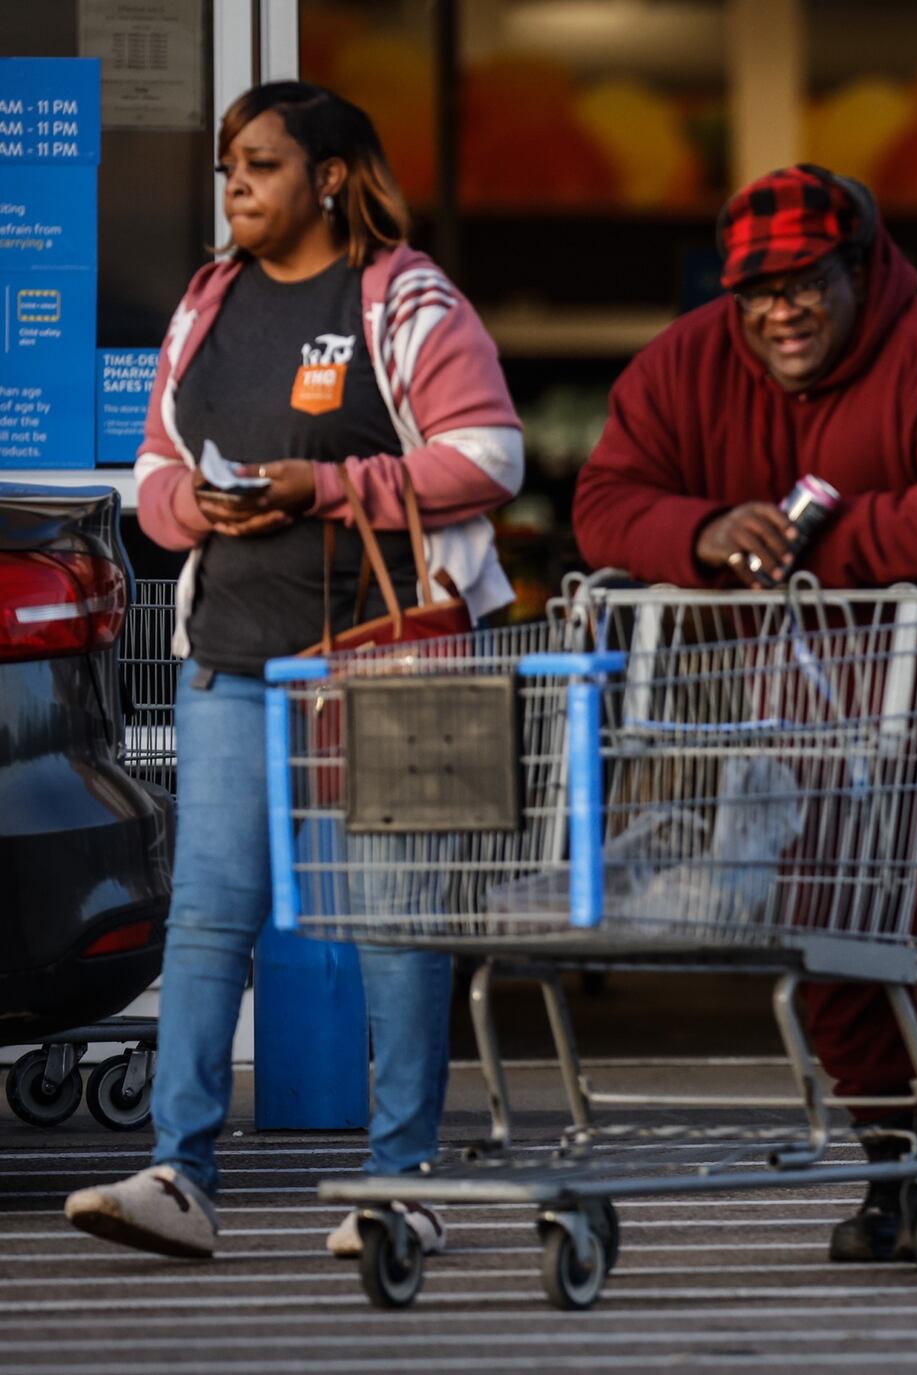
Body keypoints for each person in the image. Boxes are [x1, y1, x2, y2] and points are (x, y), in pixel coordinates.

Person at [571, 163, 917, 1268]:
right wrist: (705, 534)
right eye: (757, 289)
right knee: (828, 932)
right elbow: (604, 503)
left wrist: (811, 556)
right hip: (807, 709)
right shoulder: (687, 365)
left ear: (861, 269)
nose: (780, 311)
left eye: (805, 283)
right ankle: (887, 1165)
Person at [64, 82, 523, 1259]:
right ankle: (180, 1171)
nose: (236, 189)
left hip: (394, 656)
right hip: (232, 657)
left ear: (328, 176)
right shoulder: (209, 300)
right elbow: (155, 466)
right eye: (227, 169)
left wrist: (320, 486)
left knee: (396, 919)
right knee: (211, 917)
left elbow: (490, 454)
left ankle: (400, 1181)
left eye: (260, 166)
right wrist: (193, 502)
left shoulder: (402, 294)